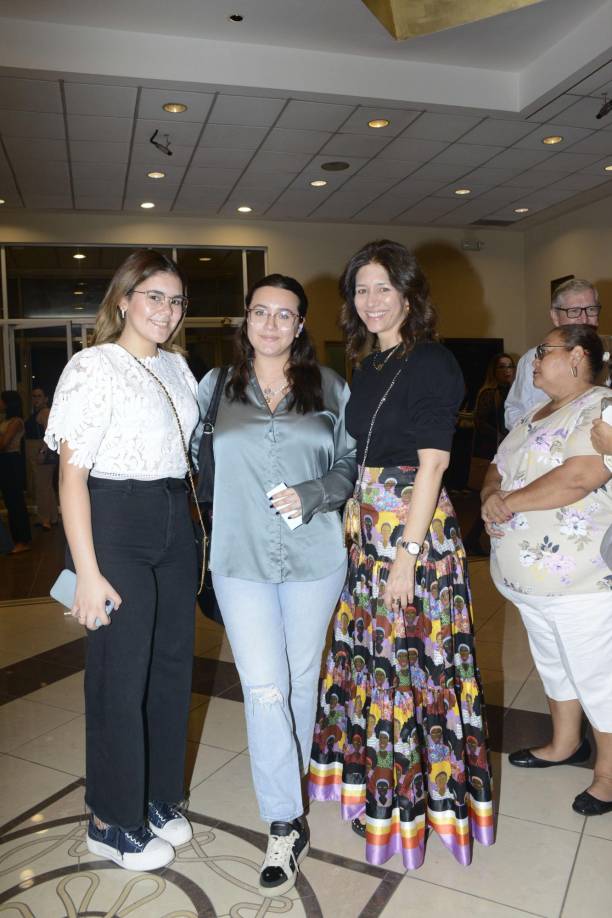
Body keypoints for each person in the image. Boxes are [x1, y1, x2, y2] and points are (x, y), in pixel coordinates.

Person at [309, 239, 494, 870]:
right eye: (361, 289)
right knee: (374, 665)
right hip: (369, 532)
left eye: (384, 288)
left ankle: (416, 804)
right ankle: (377, 786)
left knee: (414, 669)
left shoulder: (433, 361)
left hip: (412, 534)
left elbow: (433, 464)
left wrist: (408, 555)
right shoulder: (368, 365)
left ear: (410, 295)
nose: (371, 301)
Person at [192, 273, 355, 896]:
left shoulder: (330, 386)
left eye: (284, 314)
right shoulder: (216, 387)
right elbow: (185, 457)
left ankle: (293, 787)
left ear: (300, 325)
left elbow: (350, 462)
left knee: (301, 679)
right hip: (239, 559)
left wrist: (315, 493)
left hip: (316, 556)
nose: (270, 324)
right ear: (246, 319)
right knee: (264, 688)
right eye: (261, 312)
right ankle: (284, 820)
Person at [44, 249, 200, 869]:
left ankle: (156, 796)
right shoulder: (93, 366)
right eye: (154, 296)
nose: (166, 310)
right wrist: (86, 572)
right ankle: (109, 818)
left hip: (173, 519)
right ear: (123, 300)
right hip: (114, 520)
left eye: (175, 300)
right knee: (120, 674)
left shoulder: (178, 367)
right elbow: (71, 477)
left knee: (170, 668)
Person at [482, 323, 612, 816]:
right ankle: (564, 743)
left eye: (543, 351)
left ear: (577, 356)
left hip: (582, 581)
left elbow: (581, 476)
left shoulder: (602, 408)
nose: (533, 360)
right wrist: (491, 493)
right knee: (555, 665)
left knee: (597, 676)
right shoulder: (534, 414)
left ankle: (608, 774)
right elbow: (497, 465)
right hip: (531, 584)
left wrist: (507, 503)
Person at [504, 278, 600, 430]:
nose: (584, 318)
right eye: (574, 311)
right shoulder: (533, 360)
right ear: (555, 317)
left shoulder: (608, 356)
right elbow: (515, 412)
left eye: (591, 309)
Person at [464, 353, 515, 555]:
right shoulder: (489, 393)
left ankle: (473, 539)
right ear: (494, 371)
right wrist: (502, 437)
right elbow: (480, 421)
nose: (507, 371)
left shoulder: (514, 391)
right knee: (487, 497)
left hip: (506, 450)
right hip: (489, 451)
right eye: (502, 367)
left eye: (510, 366)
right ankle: (473, 539)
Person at [0, 390, 32, 554]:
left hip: (11, 461)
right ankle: (16, 539)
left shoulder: (16, 421)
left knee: (15, 502)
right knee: (10, 502)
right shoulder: (6, 420)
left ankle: (23, 540)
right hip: (5, 461)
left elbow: (4, 444)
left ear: (8, 403)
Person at [25, 386, 59, 530]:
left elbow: (50, 434)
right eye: (34, 396)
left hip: (40, 451)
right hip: (38, 450)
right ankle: (52, 517)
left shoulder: (45, 412)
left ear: (46, 399)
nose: (36, 399)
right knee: (46, 486)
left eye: (39, 396)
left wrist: (42, 452)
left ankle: (44, 519)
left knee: (42, 487)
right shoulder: (40, 412)